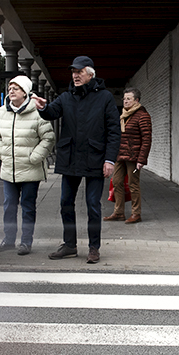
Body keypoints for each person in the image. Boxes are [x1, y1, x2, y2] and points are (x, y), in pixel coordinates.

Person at [31, 56, 120, 264]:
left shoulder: (105, 97)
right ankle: (70, 245)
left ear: (90, 74)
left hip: (95, 158)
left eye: (79, 72)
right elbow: (52, 112)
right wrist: (43, 107)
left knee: (92, 204)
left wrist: (110, 160)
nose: (75, 75)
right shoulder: (66, 96)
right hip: (70, 157)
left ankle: (93, 247)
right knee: (65, 203)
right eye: (73, 72)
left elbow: (114, 131)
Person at [0, 75, 55, 255]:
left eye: (16, 88)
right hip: (9, 168)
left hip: (30, 170)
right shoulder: (2, 111)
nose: (11, 91)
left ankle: (26, 242)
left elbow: (48, 137)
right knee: (9, 206)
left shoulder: (37, 112)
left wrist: (35, 157)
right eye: (10, 88)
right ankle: (8, 240)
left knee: (27, 206)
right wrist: (0, 152)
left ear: (25, 92)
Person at [105, 87, 152, 224]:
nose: (125, 101)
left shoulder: (142, 116)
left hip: (134, 156)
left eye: (128, 99)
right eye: (124, 99)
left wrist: (141, 159)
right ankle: (119, 212)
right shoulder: (123, 115)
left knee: (133, 184)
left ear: (136, 100)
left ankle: (136, 213)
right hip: (121, 155)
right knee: (117, 182)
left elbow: (147, 138)